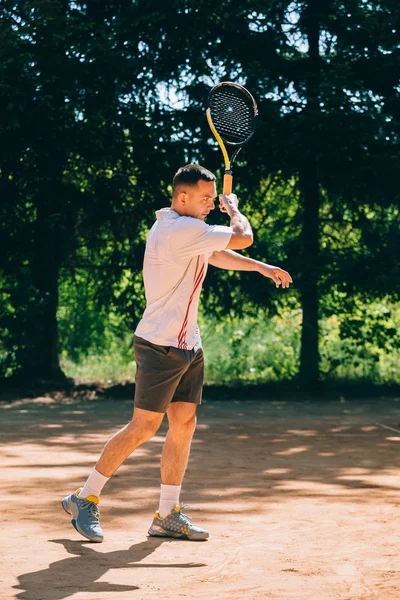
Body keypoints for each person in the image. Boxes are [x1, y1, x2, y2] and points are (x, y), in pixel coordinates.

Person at [62, 164, 292, 543]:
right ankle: (83, 497)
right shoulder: (180, 228)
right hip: (159, 346)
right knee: (144, 428)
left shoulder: (185, 228)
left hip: (188, 344)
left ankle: (167, 514)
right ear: (182, 197)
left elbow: (216, 254)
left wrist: (261, 269)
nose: (209, 204)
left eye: (213, 198)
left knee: (183, 424)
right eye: (204, 198)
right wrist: (233, 209)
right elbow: (241, 237)